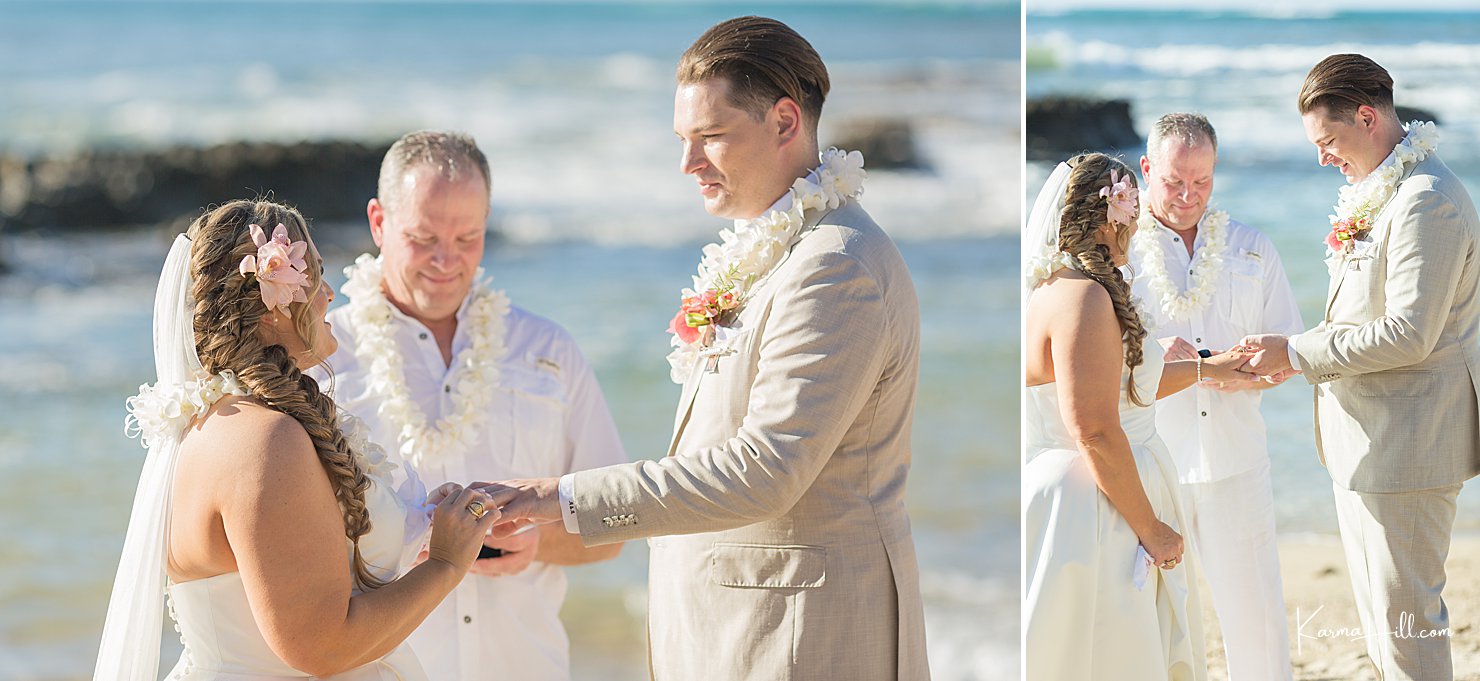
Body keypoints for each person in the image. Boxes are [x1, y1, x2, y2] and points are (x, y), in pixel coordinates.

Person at [473, 16, 930, 680]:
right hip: (742, 632)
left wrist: (562, 497)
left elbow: (766, 469)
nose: (687, 164)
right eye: (684, 139)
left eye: (711, 138)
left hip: (804, 640)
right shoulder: (778, 252)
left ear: (783, 122)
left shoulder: (835, 267)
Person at [94, 199, 500, 681]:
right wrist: (446, 566)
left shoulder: (222, 421)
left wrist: (421, 524)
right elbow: (320, 648)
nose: (329, 293)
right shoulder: (263, 439)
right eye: (316, 276)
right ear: (271, 309)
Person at [310, 131, 626, 681]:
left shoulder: (548, 349)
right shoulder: (322, 359)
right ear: (379, 222)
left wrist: (540, 542)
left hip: (527, 665)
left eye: (468, 237)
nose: (445, 260)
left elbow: (614, 524)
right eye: (424, 236)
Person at [1241, 54, 1480, 681]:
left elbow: (1409, 334)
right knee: (1383, 626)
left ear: (1367, 117)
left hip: (1409, 446)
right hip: (1373, 444)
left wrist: (1294, 352)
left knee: (1406, 631)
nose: (1322, 158)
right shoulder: (1388, 188)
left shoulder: (1429, 202)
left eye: (1328, 141)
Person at [1022, 153, 1256, 680]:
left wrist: (1205, 369)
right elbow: (1096, 429)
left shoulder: (1061, 286)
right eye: (1134, 207)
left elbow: (1119, 388)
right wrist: (1150, 528)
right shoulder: (1082, 298)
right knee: (1112, 652)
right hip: (1096, 504)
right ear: (1112, 214)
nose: (1142, 219)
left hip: (1099, 489)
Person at [1128, 113, 1302, 680]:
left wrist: (1258, 368)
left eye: (1200, 182)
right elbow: (1107, 363)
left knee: (1256, 616)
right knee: (1150, 619)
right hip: (1153, 463)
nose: (1186, 196)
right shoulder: (1119, 253)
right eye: (1174, 182)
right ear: (1146, 169)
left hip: (1236, 457)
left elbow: (1289, 348)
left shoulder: (1253, 248)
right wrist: (1201, 367)